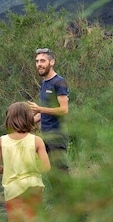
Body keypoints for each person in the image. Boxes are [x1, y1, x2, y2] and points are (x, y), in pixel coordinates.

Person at [0, 102, 50, 222]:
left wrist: (8, 170)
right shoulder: (36, 140)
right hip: (33, 186)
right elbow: (46, 166)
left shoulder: (1, 141)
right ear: (29, 118)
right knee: (32, 221)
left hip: (12, 188)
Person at [28, 48, 70, 200]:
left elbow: (64, 110)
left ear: (52, 62)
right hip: (45, 137)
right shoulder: (45, 83)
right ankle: (62, 209)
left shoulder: (59, 82)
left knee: (61, 175)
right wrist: (27, 122)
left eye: (43, 61)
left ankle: (77, 211)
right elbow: (45, 112)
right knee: (52, 176)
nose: (39, 64)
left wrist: (39, 109)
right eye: (37, 61)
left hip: (57, 136)